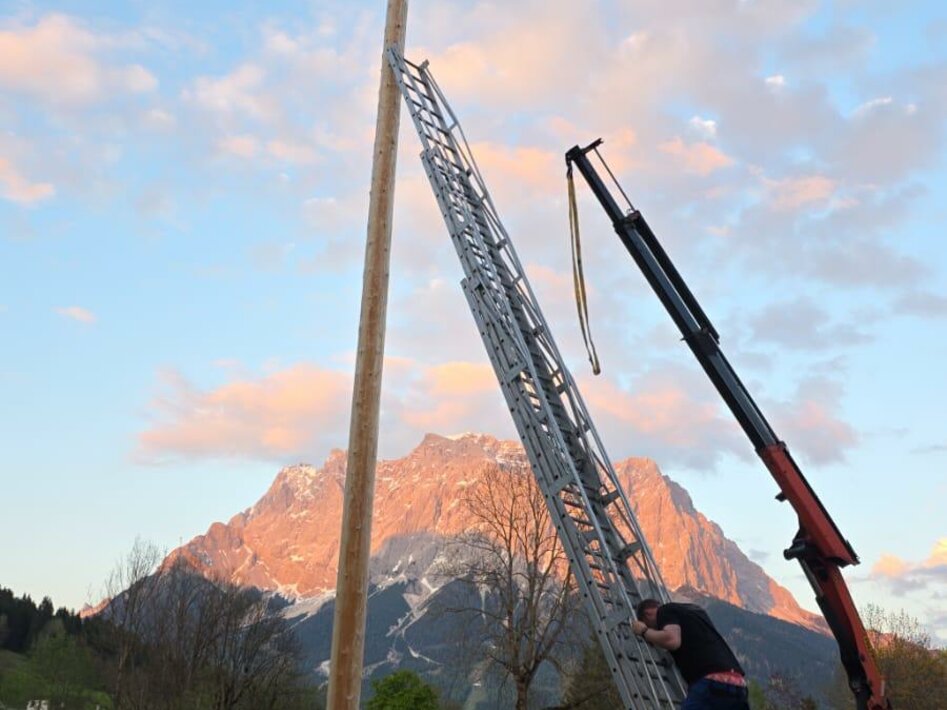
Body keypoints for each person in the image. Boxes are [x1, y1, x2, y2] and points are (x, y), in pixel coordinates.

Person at [632, 598, 749, 710]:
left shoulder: (665, 610)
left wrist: (644, 631)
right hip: (738, 684)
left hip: (711, 682)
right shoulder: (695, 612)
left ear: (647, 614)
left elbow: (672, 640)